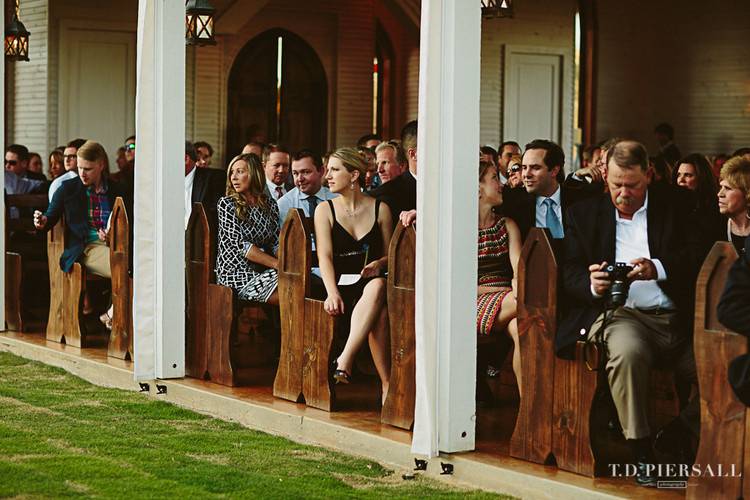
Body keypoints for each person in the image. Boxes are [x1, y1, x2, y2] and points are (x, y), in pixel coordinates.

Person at [559, 140, 701, 486]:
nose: (624, 194)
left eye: (632, 186)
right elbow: (570, 270)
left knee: (718, 364)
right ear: (604, 175)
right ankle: (641, 451)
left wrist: (658, 268)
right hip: (621, 314)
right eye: (616, 185)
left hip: (678, 316)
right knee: (627, 351)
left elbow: (699, 253)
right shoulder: (584, 212)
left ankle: (680, 432)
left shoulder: (677, 205)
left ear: (648, 175)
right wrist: (592, 283)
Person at [314, 148, 393, 402]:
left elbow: (392, 254)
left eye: (335, 169)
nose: (328, 176)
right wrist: (332, 293)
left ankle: (345, 359)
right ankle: (387, 385)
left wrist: (379, 264)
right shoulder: (324, 210)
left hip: (370, 282)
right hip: (338, 286)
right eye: (328, 170)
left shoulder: (381, 209)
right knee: (379, 314)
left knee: (378, 287)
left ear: (354, 175)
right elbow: (324, 257)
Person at [33, 141, 129, 327]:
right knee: (125, 268)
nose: (82, 173)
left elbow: (129, 221)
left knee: (138, 266)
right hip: (86, 248)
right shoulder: (68, 188)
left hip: (116, 245)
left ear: (101, 165)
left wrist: (112, 234)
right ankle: (114, 317)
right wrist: (41, 221)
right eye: (79, 168)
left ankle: (112, 314)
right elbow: (49, 217)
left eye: (88, 168)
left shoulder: (117, 189)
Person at [476, 160, 522, 390]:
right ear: (478, 189)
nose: (502, 183)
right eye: (495, 178)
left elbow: (519, 268)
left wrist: (517, 284)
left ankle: (528, 410)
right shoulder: (460, 229)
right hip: (471, 301)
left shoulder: (507, 225)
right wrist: (507, 291)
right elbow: (460, 287)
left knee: (521, 330)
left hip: (509, 300)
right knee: (527, 303)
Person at [215, 153, 280, 304]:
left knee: (298, 284)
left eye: (240, 171)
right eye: (232, 172)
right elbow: (241, 246)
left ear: (254, 173)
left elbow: (276, 242)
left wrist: (290, 266)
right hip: (235, 274)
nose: (234, 177)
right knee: (289, 296)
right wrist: (278, 265)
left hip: (264, 269)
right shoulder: (226, 204)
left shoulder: (270, 204)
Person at [370, 120, 417, 225]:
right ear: (413, 154)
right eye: (377, 164)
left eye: (385, 163)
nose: (379, 170)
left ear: (402, 165)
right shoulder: (381, 197)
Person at [277, 150, 337, 226]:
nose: (300, 179)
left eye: (306, 172)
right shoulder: (284, 204)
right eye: (295, 173)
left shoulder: (336, 199)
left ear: (321, 171)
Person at [184, 141, 225, 229]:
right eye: (198, 156)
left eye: (206, 157)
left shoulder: (215, 178)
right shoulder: (163, 182)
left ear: (186, 159)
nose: (202, 161)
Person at [717, 156, 750, 255]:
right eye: (721, 187)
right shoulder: (714, 229)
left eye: (727, 188)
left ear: (747, 194)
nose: (720, 194)